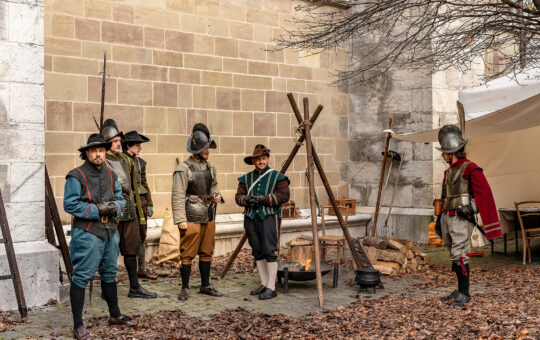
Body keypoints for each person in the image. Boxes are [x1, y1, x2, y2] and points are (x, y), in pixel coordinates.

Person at [64, 134, 134, 340]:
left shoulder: (111, 174)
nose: (98, 154)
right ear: (87, 153)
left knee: (110, 273)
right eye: (94, 151)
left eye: (102, 150)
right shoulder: (75, 175)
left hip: (110, 232)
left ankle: (115, 315)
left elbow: (122, 199)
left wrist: (116, 206)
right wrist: (97, 209)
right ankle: (78, 325)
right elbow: (70, 204)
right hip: (87, 233)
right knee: (82, 276)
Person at [435, 125, 502, 307]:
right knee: (453, 253)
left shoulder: (471, 168)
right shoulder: (448, 172)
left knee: (459, 254)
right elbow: (444, 196)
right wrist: (439, 220)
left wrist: (471, 209)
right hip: (447, 217)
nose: (442, 156)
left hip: (460, 219)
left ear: (451, 152)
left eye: (444, 152)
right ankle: (459, 288)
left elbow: (484, 194)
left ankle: (465, 293)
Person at [102, 119, 157, 299]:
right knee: (109, 252)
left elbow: (134, 187)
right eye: (116, 141)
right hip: (111, 211)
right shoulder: (102, 161)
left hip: (129, 210)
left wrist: (140, 213)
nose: (119, 144)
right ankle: (107, 289)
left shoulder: (126, 159)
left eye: (120, 141)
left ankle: (134, 287)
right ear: (107, 142)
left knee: (131, 250)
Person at [172, 123, 223, 301]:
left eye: (208, 147)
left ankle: (205, 285)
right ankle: (185, 287)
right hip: (191, 214)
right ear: (196, 149)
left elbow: (214, 186)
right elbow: (177, 195)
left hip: (208, 214)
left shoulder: (211, 167)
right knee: (187, 252)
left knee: (207, 250)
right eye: (204, 148)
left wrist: (216, 196)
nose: (208, 150)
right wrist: (180, 219)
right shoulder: (183, 169)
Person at [235, 144, 290, 300]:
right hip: (251, 218)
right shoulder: (246, 178)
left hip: (269, 217)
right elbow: (238, 197)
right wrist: (246, 199)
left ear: (268, 159)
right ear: (253, 161)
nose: (261, 161)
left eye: (264, 158)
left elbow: (284, 196)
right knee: (257, 250)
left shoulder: (277, 176)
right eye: (258, 159)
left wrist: (264, 199)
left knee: (269, 251)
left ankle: (271, 288)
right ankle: (264, 283)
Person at [123, 130, 157, 280]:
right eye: (137, 145)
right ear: (128, 145)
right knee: (126, 237)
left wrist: (149, 202)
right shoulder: (122, 161)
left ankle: (141, 268)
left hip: (141, 201)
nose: (140, 148)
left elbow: (144, 183)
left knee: (142, 235)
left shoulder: (140, 162)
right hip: (126, 201)